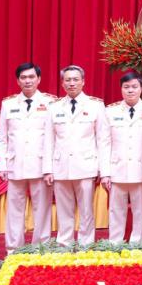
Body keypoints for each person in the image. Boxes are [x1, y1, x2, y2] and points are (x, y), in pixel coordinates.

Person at [0, 63, 54, 252]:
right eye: (23, 77)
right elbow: (2, 138)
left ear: (39, 79)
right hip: (16, 164)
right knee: (14, 210)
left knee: (42, 209)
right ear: (18, 81)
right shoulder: (8, 104)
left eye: (31, 77)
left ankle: (41, 249)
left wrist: (50, 167)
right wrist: (2, 165)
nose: (28, 81)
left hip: (41, 165)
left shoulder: (50, 103)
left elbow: (53, 138)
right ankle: (13, 249)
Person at [45, 65, 102, 247]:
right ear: (62, 83)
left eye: (75, 79)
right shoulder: (53, 107)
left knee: (86, 211)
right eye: (68, 80)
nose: (72, 83)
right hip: (61, 166)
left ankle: (86, 245)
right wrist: (47, 169)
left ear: (83, 82)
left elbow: (102, 140)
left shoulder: (95, 105)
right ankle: (64, 244)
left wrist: (101, 169)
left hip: (86, 166)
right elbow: (48, 140)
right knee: (63, 211)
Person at [98, 71, 142, 243]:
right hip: (117, 169)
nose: (130, 90)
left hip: (141, 170)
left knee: (140, 210)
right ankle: (115, 243)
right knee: (116, 210)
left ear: (141, 89)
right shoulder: (110, 111)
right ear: (121, 89)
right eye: (126, 87)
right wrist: (105, 173)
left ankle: (137, 244)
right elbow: (104, 143)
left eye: (134, 87)